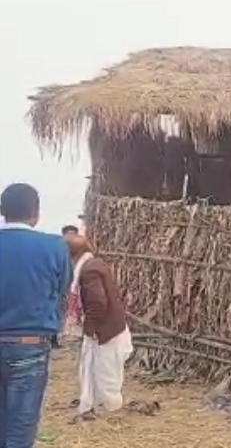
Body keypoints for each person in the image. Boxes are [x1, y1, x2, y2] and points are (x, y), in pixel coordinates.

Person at [0, 183, 72, 447]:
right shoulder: (53, 246)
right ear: (36, 212)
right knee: (20, 428)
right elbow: (62, 289)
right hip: (29, 346)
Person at [66, 234, 133, 420]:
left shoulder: (89, 270)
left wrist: (90, 327)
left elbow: (97, 302)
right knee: (100, 370)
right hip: (109, 328)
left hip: (107, 332)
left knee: (105, 374)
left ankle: (111, 410)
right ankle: (98, 406)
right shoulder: (93, 264)